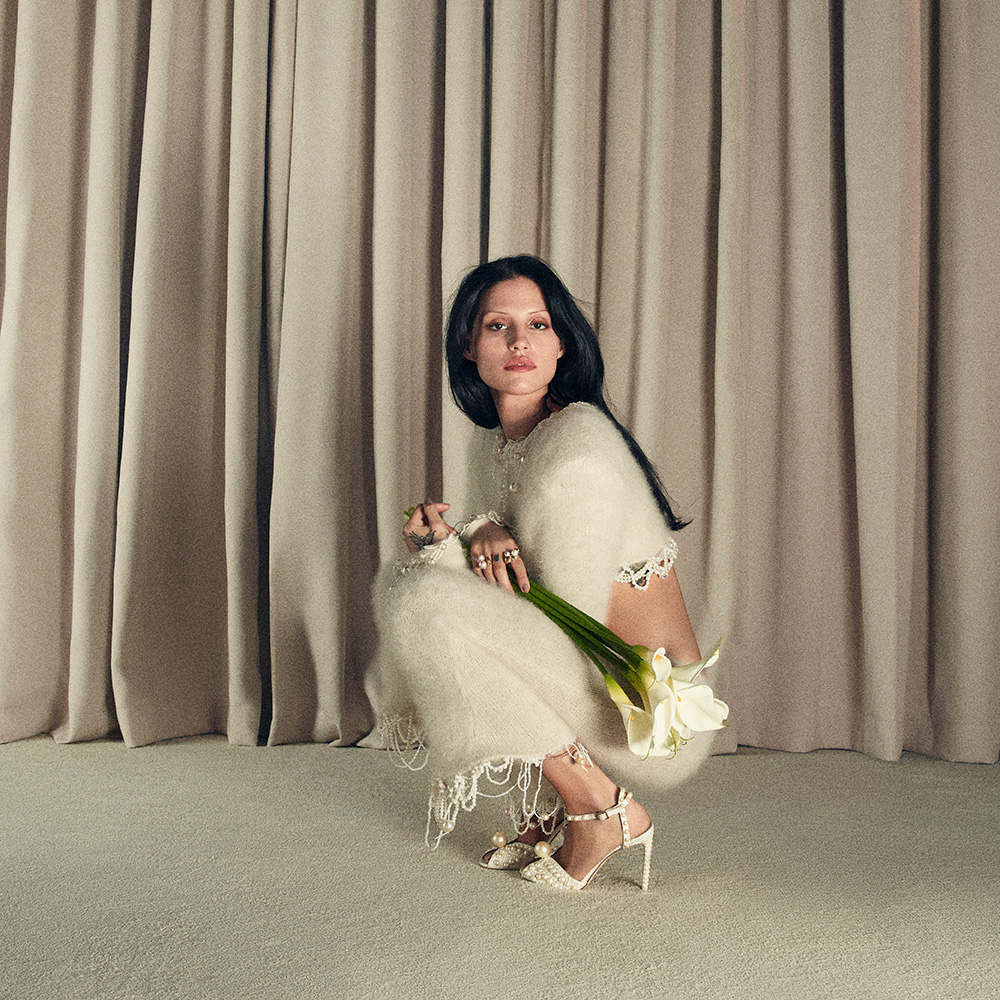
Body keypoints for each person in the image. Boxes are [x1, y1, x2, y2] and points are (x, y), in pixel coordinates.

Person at [369, 255, 717, 891]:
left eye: (538, 324)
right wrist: (454, 538)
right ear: (468, 347)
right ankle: (553, 808)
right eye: (498, 326)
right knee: (417, 570)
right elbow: (508, 582)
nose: (520, 341)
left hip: (646, 710)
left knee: (428, 603)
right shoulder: (496, 439)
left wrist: (465, 548)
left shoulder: (577, 447)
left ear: (563, 344)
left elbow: (564, 624)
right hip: (595, 673)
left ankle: (600, 809)